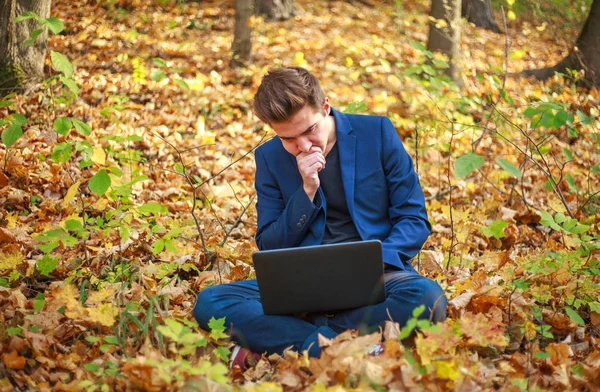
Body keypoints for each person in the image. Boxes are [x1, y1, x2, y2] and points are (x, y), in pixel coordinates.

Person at [193, 66, 447, 369]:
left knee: (427, 297)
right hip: (301, 283)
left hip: (379, 275)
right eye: (288, 139)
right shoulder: (270, 158)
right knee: (211, 303)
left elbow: (413, 217)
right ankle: (345, 347)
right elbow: (270, 244)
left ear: (325, 107)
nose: (303, 146)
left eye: (309, 130)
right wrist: (307, 191)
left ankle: (294, 337)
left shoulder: (376, 133)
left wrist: (374, 264)